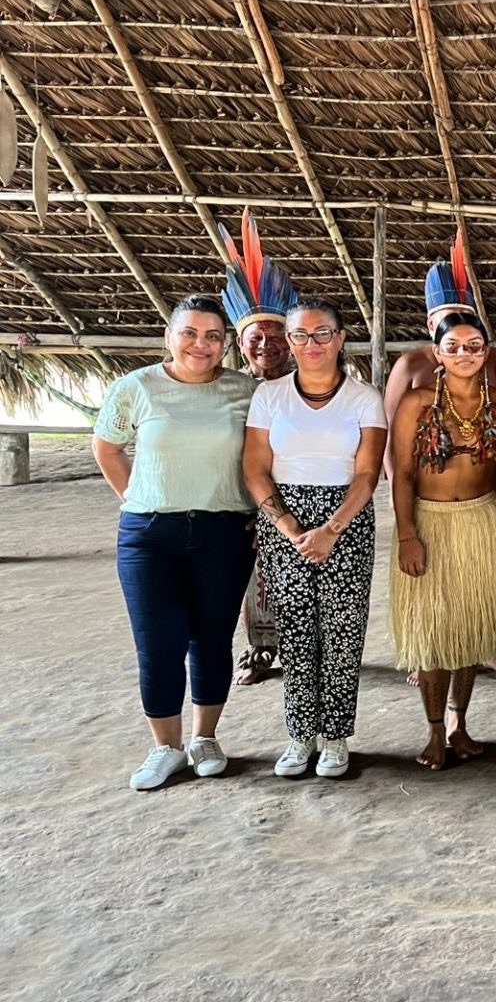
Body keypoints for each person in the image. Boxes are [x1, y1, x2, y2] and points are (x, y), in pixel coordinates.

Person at [93, 295, 259, 790]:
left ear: (226, 343)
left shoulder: (244, 391)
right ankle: (165, 748)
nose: (201, 344)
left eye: (212, 336)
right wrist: (135, 496)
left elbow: (264, 455)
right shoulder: (137, 386)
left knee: (210, 639)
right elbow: (107, 446)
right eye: (189, 333)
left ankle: (204, 738)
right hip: (149, 537)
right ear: (169, 337)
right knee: (158, 644)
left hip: (224, 532)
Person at [245, 297, 387, 779]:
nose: (312, 344)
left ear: (341, 338)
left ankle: (336, 739)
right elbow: (255, 468)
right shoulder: (270, 397)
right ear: (289, 341)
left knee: (343, 634)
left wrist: (330, 529)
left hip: (346, 519)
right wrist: (290, 527)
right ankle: (300, 735)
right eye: (301, 335)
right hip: (284, 519)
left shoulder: (365, 398)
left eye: (322, 333)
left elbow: (367, 475)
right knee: (297, 631)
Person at [383, 231, 496, 682]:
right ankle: (432, 655)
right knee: (433, 592)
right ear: (433, 331)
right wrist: (405, 524)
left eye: (470, 336)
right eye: (448, 330)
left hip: (481, 502)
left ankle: (482, 649)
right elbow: (396, 452)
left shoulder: (495, 367)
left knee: (477, 595)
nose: (462, 348)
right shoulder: (410, 373)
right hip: (429, 502)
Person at [389, 311, 496, 771]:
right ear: (437, 354)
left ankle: (460, 725)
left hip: (482, 521)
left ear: (486, 352)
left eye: (474, 346)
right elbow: (403, 473)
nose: (464, 354)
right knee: (435, 634)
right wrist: (407, 535)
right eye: (454, 347)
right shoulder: (417, 403)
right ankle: (434, 732)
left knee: (472, 631)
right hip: (431, 522)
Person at [219, 210, 298, 687]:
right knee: (256, 580)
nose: (265, 345)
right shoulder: (231, 389)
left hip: (301, 495)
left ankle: (309, 649)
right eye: (256, 339)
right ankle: (261, 649)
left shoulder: (307, 387)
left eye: (273, 337)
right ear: (242, 345)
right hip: (247, 503)